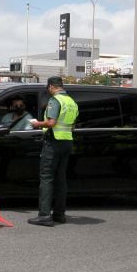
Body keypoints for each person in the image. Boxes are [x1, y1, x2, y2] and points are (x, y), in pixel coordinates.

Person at [28, 76, 78, 226]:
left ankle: (44, 215)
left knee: (46, 177)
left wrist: (37, 124)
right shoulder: (71, 102)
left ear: (51, 87)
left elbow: (51, 122)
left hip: (54, 142)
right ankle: (59, 214)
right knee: (61, 178)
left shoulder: (55, 100)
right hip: (67, 142)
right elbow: (73, 125)